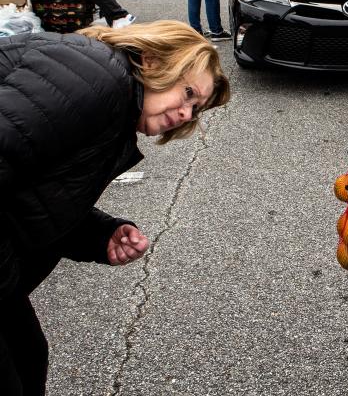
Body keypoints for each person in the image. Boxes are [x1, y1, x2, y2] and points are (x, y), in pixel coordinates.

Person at [0, 20, 230, 395]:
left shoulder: (112, 101)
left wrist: (98, 233)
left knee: (28, 357)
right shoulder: (97, 78)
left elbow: (29, 187)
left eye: (196, 107)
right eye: (188, 92)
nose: (188, 114)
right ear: (153, 61)